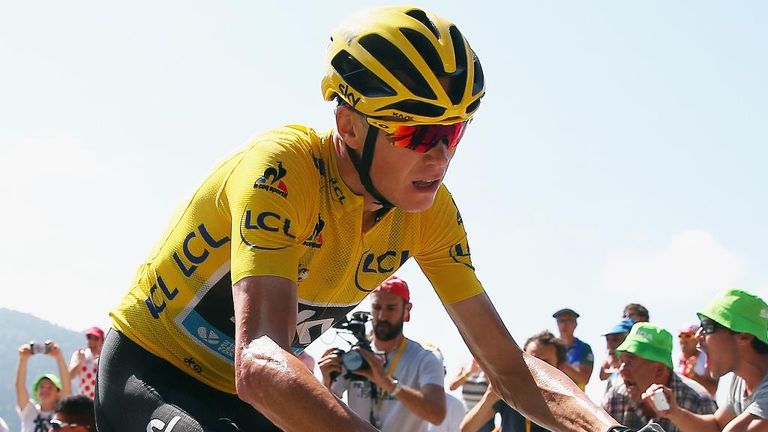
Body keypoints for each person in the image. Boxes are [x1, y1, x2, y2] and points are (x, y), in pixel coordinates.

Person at [95, 5, 638, 432]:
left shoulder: (432, 213)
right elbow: (259, 361)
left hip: (248, 398)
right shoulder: (282, 171)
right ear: (349, 125)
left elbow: (507, 367)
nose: (440, 156)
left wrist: (610, 429)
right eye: (417, 133)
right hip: (154, 368)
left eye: (453, 131)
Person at [319, 276, 446, 431]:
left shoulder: (425, 357)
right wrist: (325, 383)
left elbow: (437, 415)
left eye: (391, 308)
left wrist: (388, 383)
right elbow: (321, 414)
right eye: (377, 307)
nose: (382, 316)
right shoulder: (356, 356)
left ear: (407, 310)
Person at [650, 288, 768, 431]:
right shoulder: (740, 379)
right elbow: (717, 426)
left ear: (744, 336)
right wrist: (674, 412)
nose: (697, 335)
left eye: (707, 326)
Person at [603, 322, 716, 432]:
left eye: (629, 362)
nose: (622, 370)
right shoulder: (615, 397)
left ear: (660, 371)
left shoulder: (698, 401)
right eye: (622, 361)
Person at [461, 330, 566, 432]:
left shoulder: (566, 402)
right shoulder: (510, 392)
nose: (536, 368)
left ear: (559, 367)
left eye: (545, 363)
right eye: (531, 361)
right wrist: (490, 397)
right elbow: (466, 429)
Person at [16, 341, 71, 432]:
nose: (45, 390)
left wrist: (59, 358)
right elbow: (20, 387)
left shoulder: (62, 412)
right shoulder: (29, 410)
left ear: (58, 392)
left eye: (50, 387)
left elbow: (67, 389)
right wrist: (23, 360)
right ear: (36, 391)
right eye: (41, 387)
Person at [553, 308, 595, 390]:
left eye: (568, 320)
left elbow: (584, 379)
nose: (564, 324)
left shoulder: (584, 348)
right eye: (561, 321)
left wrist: (561, 364)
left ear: (575, 324)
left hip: (575, 395)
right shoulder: (551, 347)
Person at [448, 358, 493, 432]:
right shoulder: (465, 366)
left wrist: (487, 373)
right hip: (466, 415)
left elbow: (494, 389)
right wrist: (469, 372)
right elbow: (452, 387)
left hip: (484, 417)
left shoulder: (489, 367)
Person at [674, 324, 718, 396]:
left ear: (697, 338)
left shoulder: (707, 359)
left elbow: (712, 390)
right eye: (680, 336)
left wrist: (694, 376)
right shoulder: (674, 361)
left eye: (688, 336)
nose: (683, 340)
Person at [600, 319, 635, 393]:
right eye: (607, 340)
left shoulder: (636, 380)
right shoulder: (614, 376)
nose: (610, 345)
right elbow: (602, 375)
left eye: (615, 339)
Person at [68, 326, 104, 399]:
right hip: (83, 399)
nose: (92, 341)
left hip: (101, 400)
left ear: (102, 341)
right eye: (89, 338)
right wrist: (80, 361)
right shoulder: (80, 354)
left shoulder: (105, 357)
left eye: (96, 338)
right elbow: (70, 376)